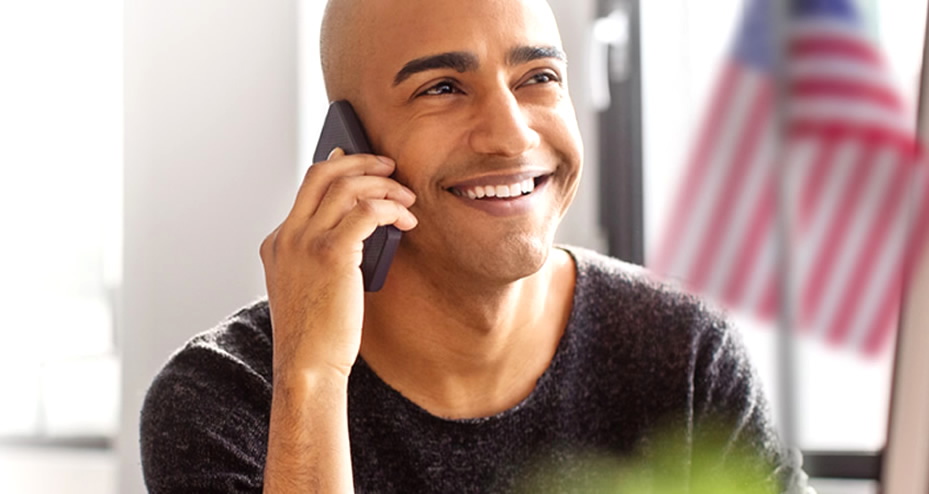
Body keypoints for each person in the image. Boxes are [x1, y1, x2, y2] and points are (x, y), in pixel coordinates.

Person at [140, 0, 811, 492]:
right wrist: (310, 381)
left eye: (538, 78)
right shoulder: (222, 398)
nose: (511, 136)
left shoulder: (681, 352)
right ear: (349, 149)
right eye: (441, 89)